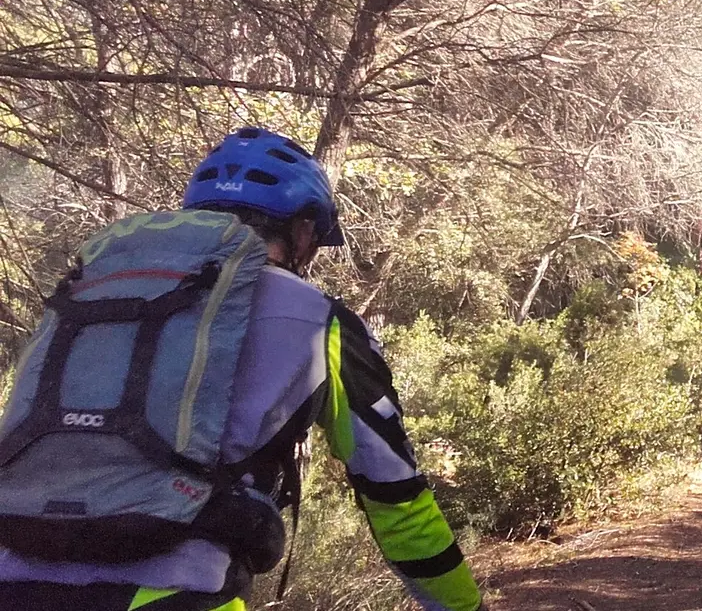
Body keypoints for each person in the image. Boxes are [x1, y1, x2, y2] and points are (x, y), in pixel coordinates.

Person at [0, 128, 483, 611]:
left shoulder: (98, 291)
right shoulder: (317, 319)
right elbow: (398, 503)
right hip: (178, 591)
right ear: (303, 231)